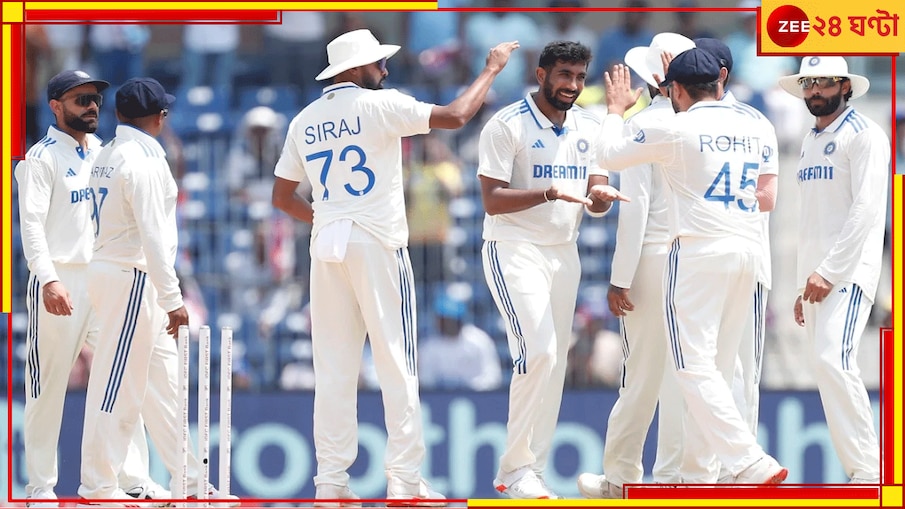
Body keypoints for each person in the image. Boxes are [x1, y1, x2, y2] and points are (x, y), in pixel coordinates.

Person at [271, 28, 518, 506]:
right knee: (397, 363)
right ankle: (404, 479)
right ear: (354, 69)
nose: (385, 70)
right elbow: (457, 115)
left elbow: (282, 197)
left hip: (327, 245)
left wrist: (329, 217)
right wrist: (491, 69)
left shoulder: (304, 119)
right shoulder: (379, 104)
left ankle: (330, 483)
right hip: (377, 243)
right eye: (377, 63)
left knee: (334, 370)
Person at [593, 48, 787, 489]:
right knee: (716, 370)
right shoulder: (757, 125)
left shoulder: (675, 128)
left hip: (698, 252)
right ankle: (699, 478)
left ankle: (748, 460)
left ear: (675, 90)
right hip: (747, 251)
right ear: (720, 82)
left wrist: (615, 110)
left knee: (690, 367)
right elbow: (769, 197)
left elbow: (608, 154)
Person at [476, 41, 628, 500]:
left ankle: (531, 471)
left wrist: (600, 199)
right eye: (564, 75)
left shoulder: (590, 125)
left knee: (554, 364)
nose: (573, 85)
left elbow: (595, 192)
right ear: (541, 75)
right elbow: (491, 200)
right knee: (538, 352)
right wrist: (547, 193)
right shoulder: (506, 124)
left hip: (565, 253)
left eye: (580, 77)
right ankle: (513, 469)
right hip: (514, 248)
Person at [77, 77, 237, 506]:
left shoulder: (108, 153)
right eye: (164, 112)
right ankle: (98, 486)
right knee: (117, 387)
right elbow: (153, 236)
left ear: (118, 114)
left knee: (164, 386)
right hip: (132, 277)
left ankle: (190, 481)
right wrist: (173, 300)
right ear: (159, 117)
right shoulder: (143, 161)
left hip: (121, 272)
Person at [15, 69, 170, 508]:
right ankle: (40, 487)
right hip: (60, 280)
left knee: (121, 379)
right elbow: (30, 227)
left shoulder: (105, 151)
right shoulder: (40, 158)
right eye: (80, 99)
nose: (91, 107)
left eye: (95, 99)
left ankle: (132, 478)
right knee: (47, 388)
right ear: (55, 106)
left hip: (104, 278)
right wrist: (48, 279)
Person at [576, 32, 696, 499]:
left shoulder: (643, 124)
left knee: (640, 374)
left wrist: (619, 278)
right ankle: (674, 478)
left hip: (653, 259)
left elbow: (635, 208)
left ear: (650, 79)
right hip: (695, 259)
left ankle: (621, 478)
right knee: (685, 374)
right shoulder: (703, 125)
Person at [780, 56, 886, 484]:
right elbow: (813, 219)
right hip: (817, 277)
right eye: (808, 83)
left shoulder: (864, 134)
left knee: (834, 360)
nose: (815, 91)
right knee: (826, 369)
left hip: (848, 271)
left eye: (824, 82)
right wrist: (803, 283)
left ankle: (869, 471)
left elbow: (867, 210)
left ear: (845, 85)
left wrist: (829, 271)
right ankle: (861, 470)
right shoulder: (810, 139)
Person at [694, 36, 779, 484]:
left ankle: (740, 472)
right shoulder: (690, 121)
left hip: (744, 258)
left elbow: (767, 196)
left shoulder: (752, 121)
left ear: (721, 74)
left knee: (740, 371)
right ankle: (709, 471)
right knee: (707, 369)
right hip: (713, 260)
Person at [418, 292, 502, 391]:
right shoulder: (429, 346)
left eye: (448, 319)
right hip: (439, 397)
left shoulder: (479, 341)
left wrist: (469, 388)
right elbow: (425, 380)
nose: (444, 323)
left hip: (477, 396)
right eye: (441, 319)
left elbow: (492, 376)